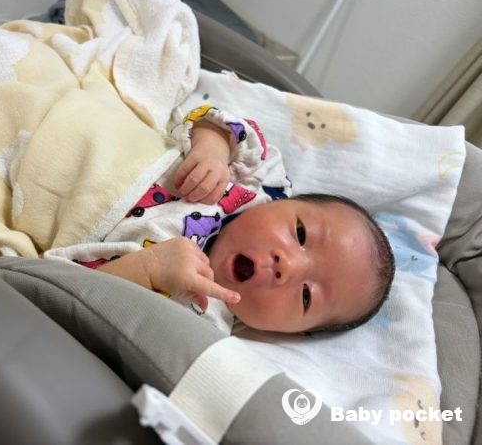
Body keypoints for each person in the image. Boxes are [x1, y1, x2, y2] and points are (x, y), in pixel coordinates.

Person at [45, 105, 395, 334]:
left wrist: (146, 270)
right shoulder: (258, 181)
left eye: (306, 296)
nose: (287, 265)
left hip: (53, 204)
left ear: (290, 333)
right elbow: (218, 121)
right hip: (95, 130)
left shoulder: (200, 319)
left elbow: (72, 302)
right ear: (290, 201)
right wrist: (212, 150)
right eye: (301, 234)